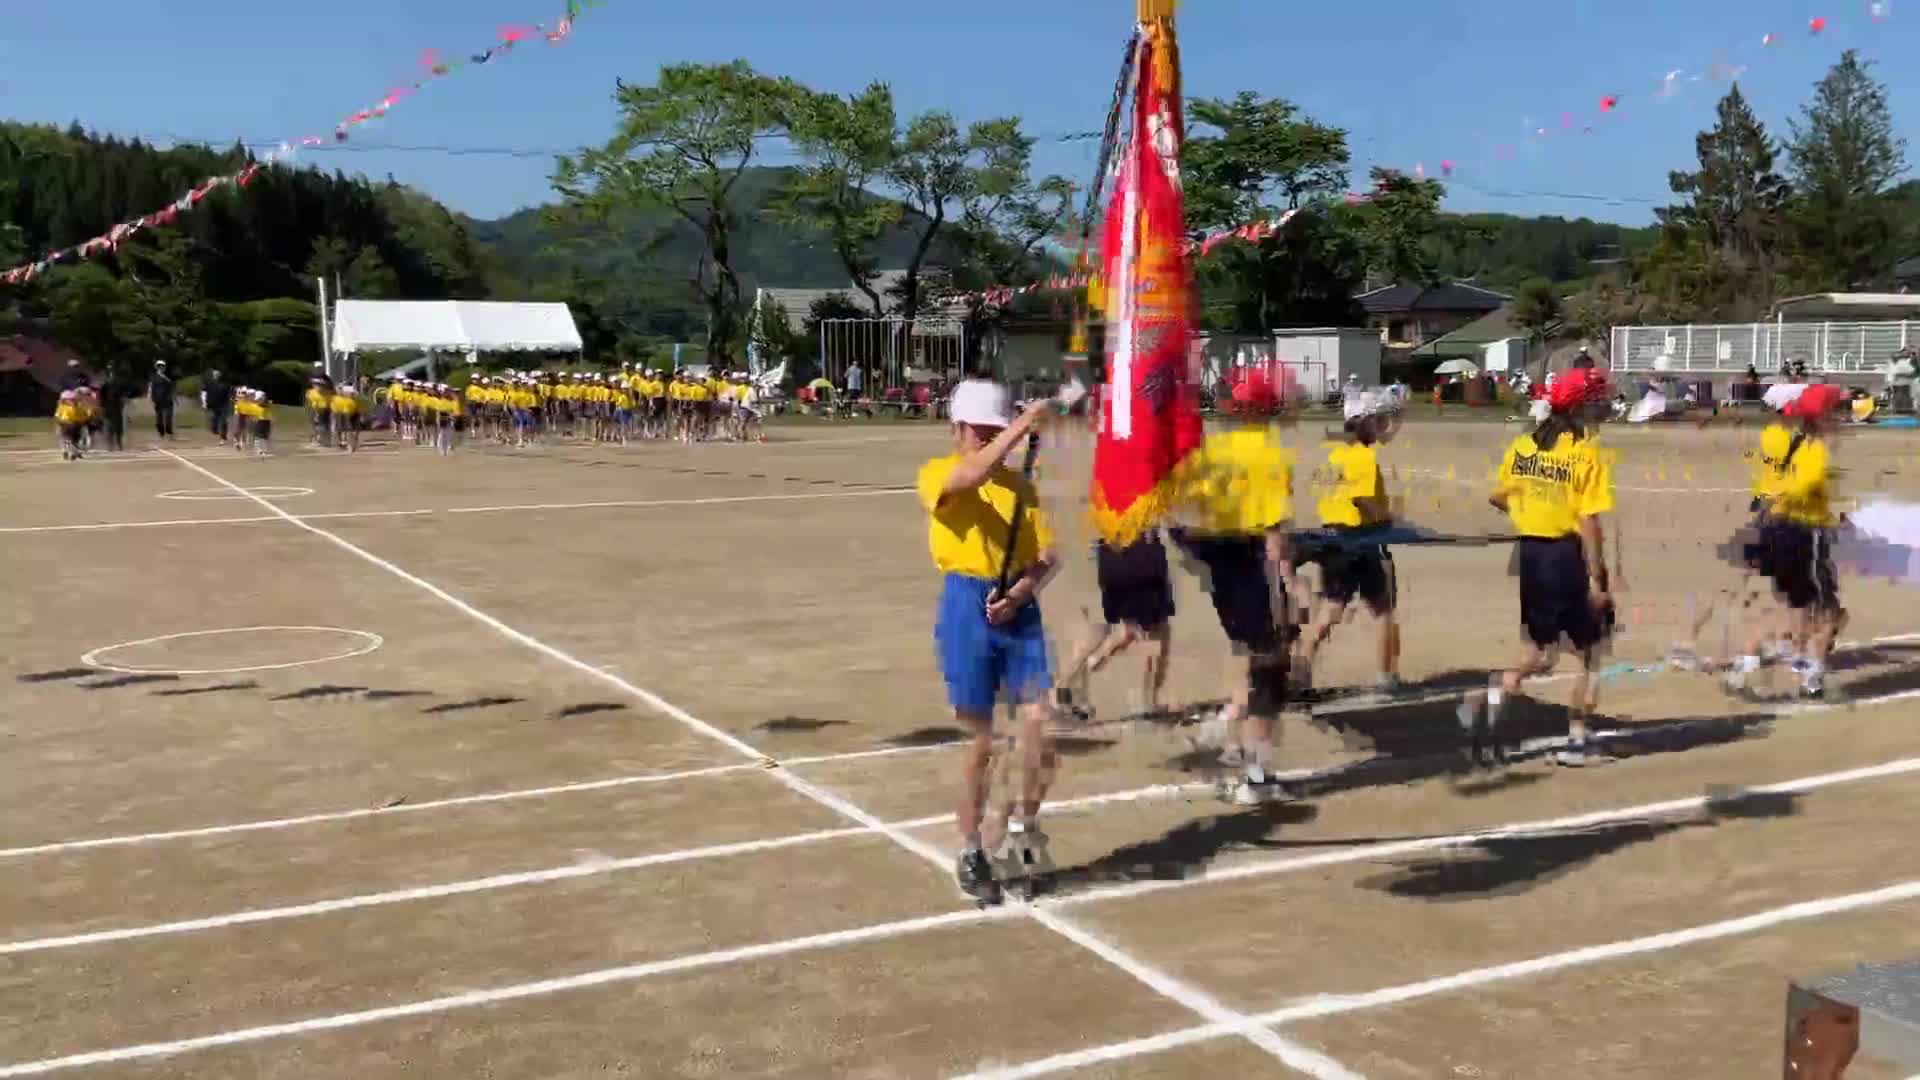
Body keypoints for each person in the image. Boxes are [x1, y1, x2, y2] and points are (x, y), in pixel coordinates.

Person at [918, 378, 1060, 905]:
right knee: (983, 742)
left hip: (1017, 611)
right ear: (956, 429)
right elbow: (972, 473)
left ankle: (1019, 830)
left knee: (1038, 727)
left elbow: (1049, 556)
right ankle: (972, 848)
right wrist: (1024, 424)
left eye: (993, 431)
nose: (985, 440)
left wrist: (1020, 594)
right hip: (964, 606)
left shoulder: (1021, 489)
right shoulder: (940, 475)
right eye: (978, 430)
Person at [1457, 368, 1616, 767]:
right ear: (1581, 406)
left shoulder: (1524, 443)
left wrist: (1531, 512)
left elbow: (1499, 497)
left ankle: (1489, 700)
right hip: (1565, 555)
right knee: (1589, 652)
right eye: (1594, 399)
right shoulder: (1585, 450)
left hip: (1529, 553)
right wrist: (1598, 577)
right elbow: (1588, 521)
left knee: (1537, 650)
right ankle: (1577, 742)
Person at [1171, 366, 1304, 805]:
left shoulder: (1214, 447)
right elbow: (1273, 537)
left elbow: (1181, 516)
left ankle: (1230, 734)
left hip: (1218, 563)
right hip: (1247, 563)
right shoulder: (1268, 454)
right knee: (1271, 668)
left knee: (1248, 651)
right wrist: (1290, 589)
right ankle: (1257, 776)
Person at [1727, 383, 1849, 699]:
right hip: (1802, 535)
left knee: (1795, 608)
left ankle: (1747, 663)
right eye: (1838, 410)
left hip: (1779, 528)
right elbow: (1802, 489)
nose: (1842, 416)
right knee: (1828, 614)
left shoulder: (1793, 442)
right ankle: (1811, 679)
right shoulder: (1815, 450)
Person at [1300, 390, 1402, 697]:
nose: (1383, 426)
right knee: (1383, 610)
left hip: (1332, 538)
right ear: (1366, 423)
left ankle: (1299, 674)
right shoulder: (1364, 457)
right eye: (1378, 420)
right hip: (1360, 541)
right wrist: (1387, 520)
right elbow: (1362, 500)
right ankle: (1387, 678)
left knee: (1329, 611)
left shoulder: (1336, 455)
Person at [98, 368, 129, 452]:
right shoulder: (105, 385)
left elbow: (123, 394)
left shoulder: (119, 384)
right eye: (111, 374)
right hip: (107, 407)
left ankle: (119, 444)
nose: (113, 375)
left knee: (118, 427)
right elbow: (101, 396)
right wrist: (101, 406)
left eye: (113, 374)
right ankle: (110, 445)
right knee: (108, 427)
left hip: (117, 407)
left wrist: (123, 401)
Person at [54, 389, 86, 461]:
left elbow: (82, 418)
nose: (72, 401)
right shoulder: (62, 407)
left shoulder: (77, 408)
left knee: (72, 440)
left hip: (73, 425)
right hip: (67, 425)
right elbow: (57, 418)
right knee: (68, 439)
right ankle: (68, 452)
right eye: (70, 400)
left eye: (72, 400)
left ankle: (72, 452)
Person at [204, 369, 234, 443]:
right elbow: (206, 393)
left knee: (224, 421)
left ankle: (223, 437)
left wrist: (232, 403)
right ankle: (215, 429)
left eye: (217, 375)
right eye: (214, 375)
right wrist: (206, 403)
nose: (215, 376)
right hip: (215, 405)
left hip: (224, 405)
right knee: (214, 419)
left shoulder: (225, 384)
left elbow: (229, 395)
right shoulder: (210, 384)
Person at [148, 361, 176, 439]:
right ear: (157, 367)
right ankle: (161, 432)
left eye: (163, 366)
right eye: (159, 366)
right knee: (159, 420)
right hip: (158, 400)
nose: (161, 368)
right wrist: (152, 399)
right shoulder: (154, 378)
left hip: (168, 399)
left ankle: (169, 432)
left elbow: (172, 387)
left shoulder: (168, 377)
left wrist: (173, 396)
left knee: (168, 418)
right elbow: (151, 389)